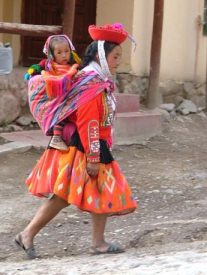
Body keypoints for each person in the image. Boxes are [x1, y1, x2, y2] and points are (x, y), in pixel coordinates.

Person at [15, 23, 137, 259]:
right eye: (115, 56)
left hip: (91, 145)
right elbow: (88, 122)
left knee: (91, 192)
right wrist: (93, 156)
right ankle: (29, 234)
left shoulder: (96, 79)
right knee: (67, 194)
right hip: (85, 146)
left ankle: (96, 242)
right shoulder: (92, 83)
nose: (118, 61)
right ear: (101, 55)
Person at [24, 34, 81, 151]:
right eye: (59, 52)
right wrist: (32, 73)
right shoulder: (47, 65)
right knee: (59, 111)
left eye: (67, 51)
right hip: (55, 99)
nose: (64, 55)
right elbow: (36, 70)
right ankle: (56, 137)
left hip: (70, 97)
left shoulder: (74, 65)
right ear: (52, 54)